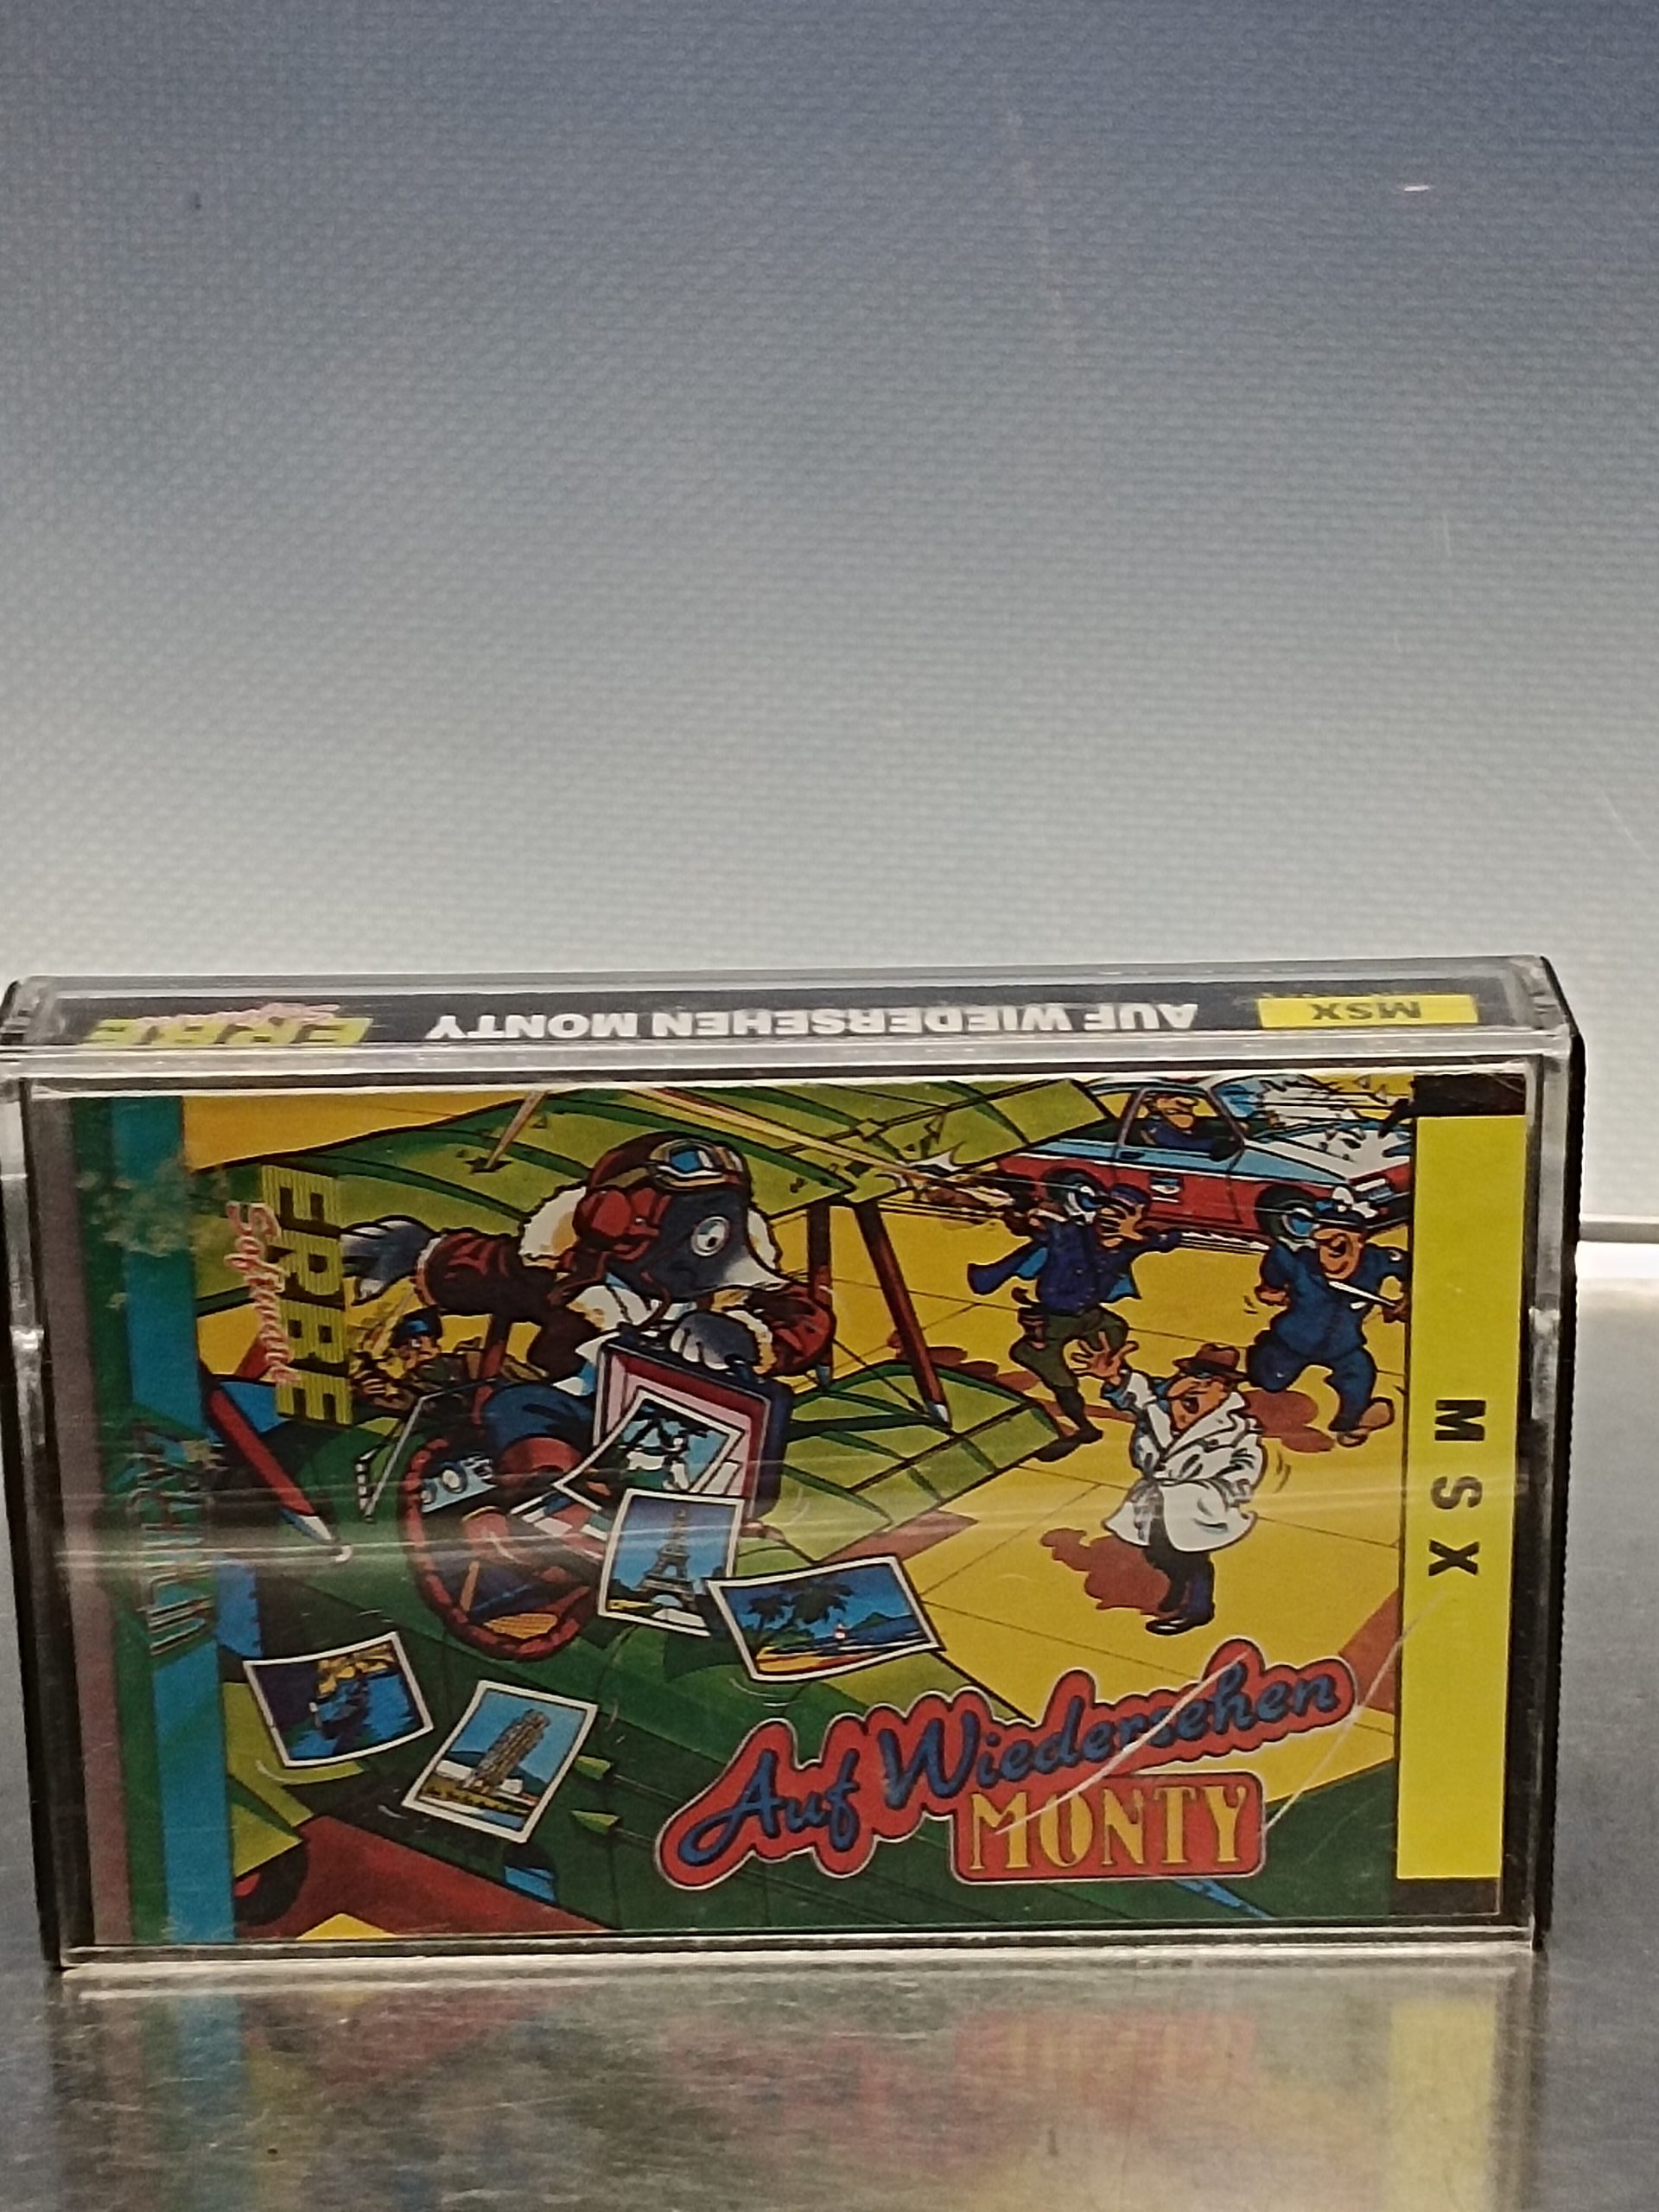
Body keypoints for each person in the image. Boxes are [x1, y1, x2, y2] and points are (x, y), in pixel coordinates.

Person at [340, 1133, 834, 1482]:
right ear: (607, 1218)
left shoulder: (738, 1288)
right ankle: (549, 1496)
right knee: (519, 1405)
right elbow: (492, 1269)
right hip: (584, 1409)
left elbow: (805, 1319)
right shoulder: (571, 1275)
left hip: (690, 1427)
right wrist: (418, 1251)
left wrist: (743, 1335)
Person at [969, 1173, 1179, 1460]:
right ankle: (1082, 1426)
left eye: (1121, 1213)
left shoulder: (1130, 1244)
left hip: (1091, 1316)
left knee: (1114, 1344)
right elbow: (1036, 1225)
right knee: (1055, 1373)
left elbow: (1170, 1239)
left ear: (1136, 1219)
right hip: (1053, 1319)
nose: (1110, 1217)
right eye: (1106, 1209)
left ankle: (1138, 1395)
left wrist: (1138, 1236)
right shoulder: (1071, 1234)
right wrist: (1027, 1214)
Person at [1094, 1339, 1265, 1636]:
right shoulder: (1161, 1409)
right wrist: (1114, 1377)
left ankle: (1198, 1608)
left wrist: (1219, 1494)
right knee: (1157, 1553)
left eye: (1210, 1380)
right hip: (1155, 1500)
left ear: (1224, 1390)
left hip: (1195, 1505)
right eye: (1195, 1375)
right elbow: (1137, 1395)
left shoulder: (1235, 1430)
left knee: (1192, 1557)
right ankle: (1178, 1584)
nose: (1197, 1386)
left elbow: (1246, 1468)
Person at [1246, 1195, 1408, 1446]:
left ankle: (1351, 1422)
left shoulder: (1378, 1261)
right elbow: (1273, 1275)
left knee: (1359, 1373)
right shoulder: (1296, 1261)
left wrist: (1407, 1299)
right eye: (1322, 1243)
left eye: (1339, 1245)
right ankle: (1263, 1357)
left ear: (1359, 1241)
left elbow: (1412, 1267)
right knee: (1269, 1381)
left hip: (1344, 1346)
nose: (1329, 1253)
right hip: (1292, 1341)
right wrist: (1271, 1290)